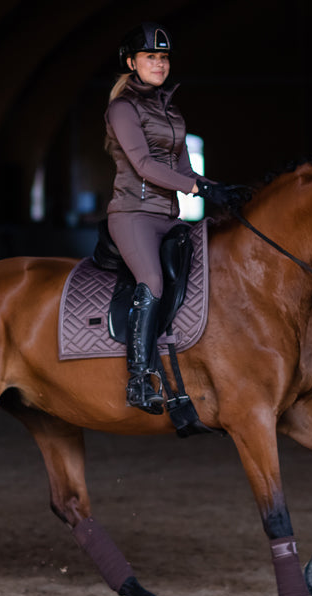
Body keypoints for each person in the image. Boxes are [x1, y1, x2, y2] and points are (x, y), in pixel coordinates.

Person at [104, 21, 245, 414]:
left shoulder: (171, 110)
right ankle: (138, 378)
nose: (159, 64)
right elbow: (145, 165)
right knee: (151, 279)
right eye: (151, 57)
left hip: (170, 215)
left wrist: (220, 188)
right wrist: (199, 190)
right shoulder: (122, 108)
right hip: (134, 215)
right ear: (132, 62)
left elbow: (185, 170)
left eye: (163, 58)